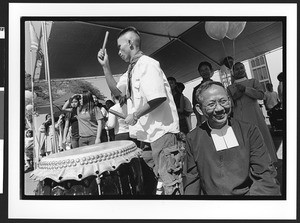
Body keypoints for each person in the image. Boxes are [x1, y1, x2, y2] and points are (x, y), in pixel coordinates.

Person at [97, 26, 182, 195]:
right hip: (147, 137)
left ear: (130, 43)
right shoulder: (131, 70)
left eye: (119, 47)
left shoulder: (148, 64)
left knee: (170, 183)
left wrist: (134, 115)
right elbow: (118, 93)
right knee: (154, 181)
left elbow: (158, 97)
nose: (118, 51)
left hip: (162, 134)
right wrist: (105, 67)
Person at [183, 81, 281, 195]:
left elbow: (265, 175)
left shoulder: (249, 131)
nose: (219, 108)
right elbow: (192, 182)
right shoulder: (193, 139)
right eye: (211, 104)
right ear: (199, 109)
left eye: (223, 101)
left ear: (229, 100)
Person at [227, 62, 278, 164]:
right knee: (245, 141)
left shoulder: (253, 81)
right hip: (239, 117)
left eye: (242, 68)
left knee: (261, 137)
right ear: (233, 72)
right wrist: (237, 94)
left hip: (255, 115)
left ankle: (267, 162)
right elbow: (231, 103)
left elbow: (261, 95)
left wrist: (245, 89)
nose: (240, 70)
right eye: (237, 69)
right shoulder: (230, 87)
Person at [192, 61, 214, 126]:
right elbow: (195, 106)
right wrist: (199, 121)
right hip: (205, 118)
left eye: (206, 69)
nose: (204, 72)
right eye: (202, 70)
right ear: (199, 73)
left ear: (211, 70)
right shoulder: (197, 89)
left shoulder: (218, 85)